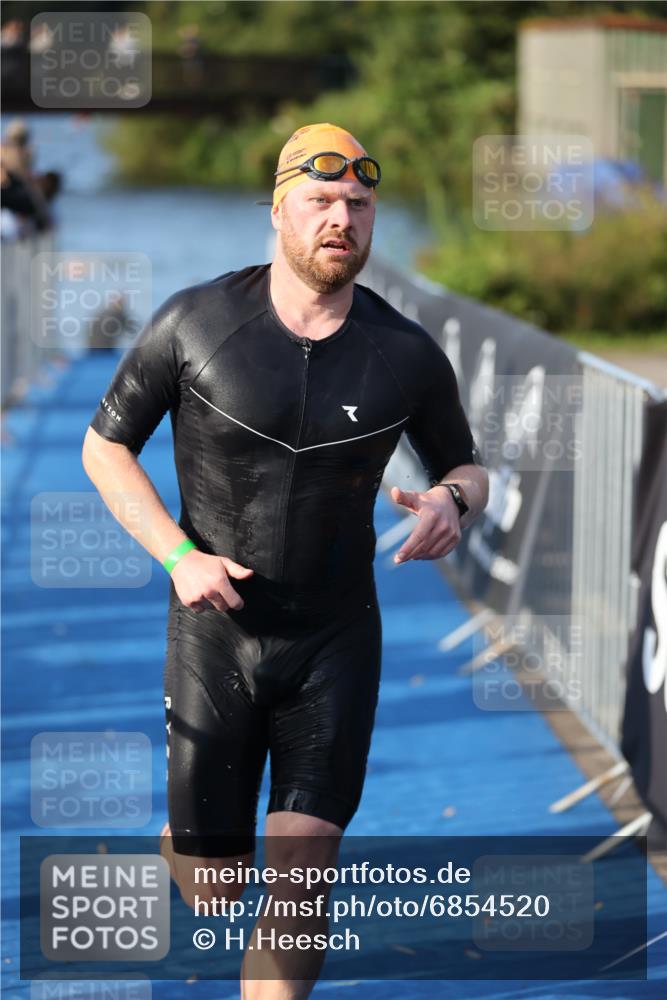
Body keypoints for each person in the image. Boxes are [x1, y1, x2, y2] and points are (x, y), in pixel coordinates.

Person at [81, 122, 489, 997]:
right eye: (321, 201)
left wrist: (451, 501)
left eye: (358, 204)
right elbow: (104, 449)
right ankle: (194, 831)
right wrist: (178, 554)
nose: (341, 218)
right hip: (214, 629)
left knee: (300, 873)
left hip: (335, 638)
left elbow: (467, 466)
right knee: (215, 884)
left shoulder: (406, 354)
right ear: (278, 212)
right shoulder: (196, 321)